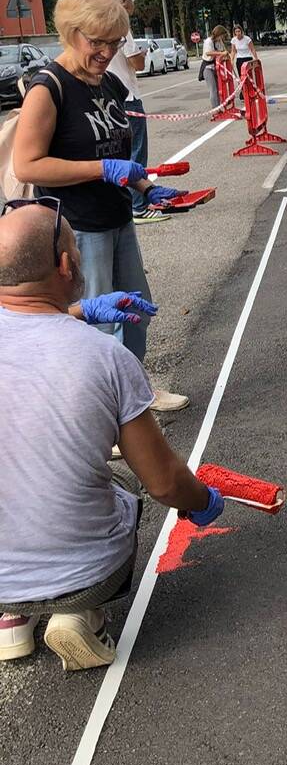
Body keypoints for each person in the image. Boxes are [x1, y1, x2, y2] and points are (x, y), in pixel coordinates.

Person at [0, 202, 223, 668]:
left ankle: (11, 622)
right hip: (86, 573)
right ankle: (80, 611)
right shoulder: (106, 358)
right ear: (66, 265)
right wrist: (201, 501)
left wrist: (77, 310)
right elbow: (164, 483)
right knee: (122, 485)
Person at [12, 0, 187, 411]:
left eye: (115, 42)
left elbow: (114, 148)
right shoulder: (48, 87)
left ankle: (135, 392)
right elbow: (27, 165)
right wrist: (101, 170)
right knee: (95, 326)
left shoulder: (106, 83)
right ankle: (98, 413)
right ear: (71, 33)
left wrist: (146, 186)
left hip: (117, 218)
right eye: (97, 42)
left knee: (135, 311)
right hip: (78, 228)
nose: (107, 52)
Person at [107, 0, 166, 225]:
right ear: (125, 5)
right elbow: (137, 63)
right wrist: (141, 53)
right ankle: (139, 206)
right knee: (136, 151)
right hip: (128, 98)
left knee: (115, 153)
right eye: (131, 2)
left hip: (109, 98)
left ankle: (126, 204)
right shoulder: (122, 27)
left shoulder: (101, 26)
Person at [200, 25, 232, 110]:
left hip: (216, 67)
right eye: (222, 36)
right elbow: (208, 53)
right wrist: (221, 53)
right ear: (218, 34)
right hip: (208, 67)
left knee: (219, 89)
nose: (222, 38)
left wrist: (225, 55)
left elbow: (222, 52)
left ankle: (220, 106)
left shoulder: (218, 42)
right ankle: (215, 109)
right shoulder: (208, 41)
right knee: (213, 89)